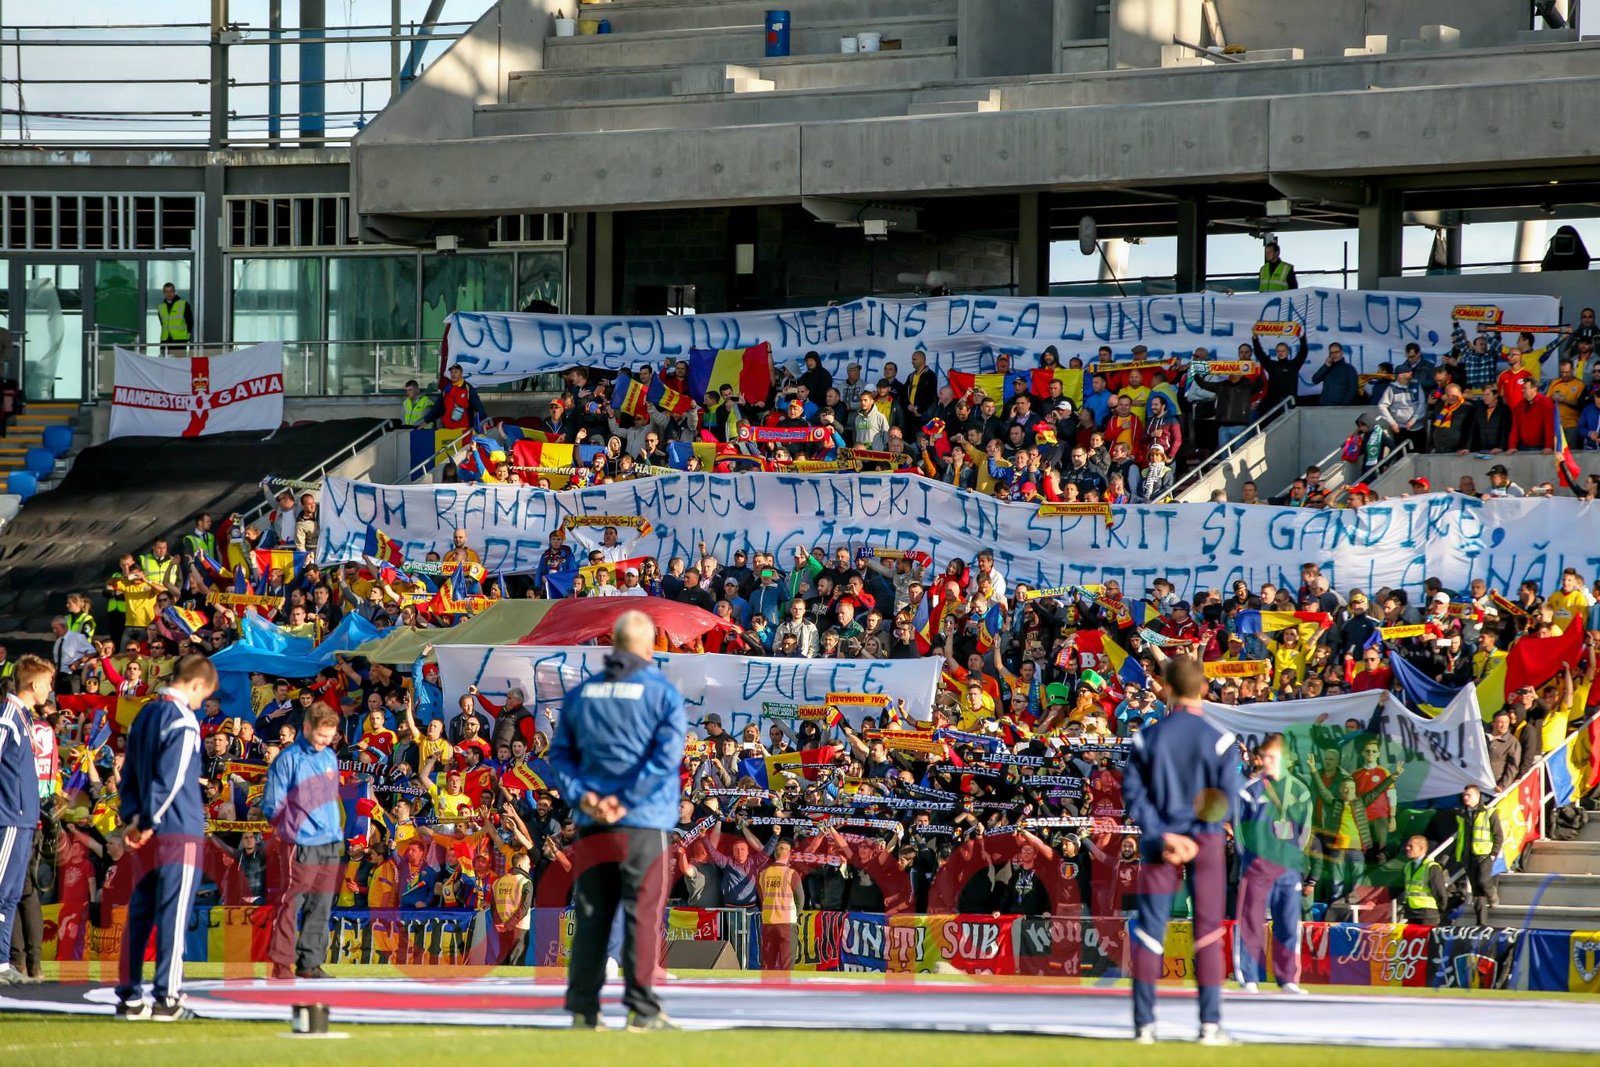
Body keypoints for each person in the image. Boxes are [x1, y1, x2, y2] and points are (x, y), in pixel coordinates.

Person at [549, 610, 687, 1032]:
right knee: (641, 914)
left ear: (613, 643)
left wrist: (585, 798)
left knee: (592, 913)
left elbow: (561, 756)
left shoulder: (582, 693)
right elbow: (666, 758)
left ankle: (583, 1010)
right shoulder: (661, 692)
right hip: (642, 820)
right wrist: (624, 800)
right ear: (648, 647)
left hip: (592, 822)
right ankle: (642, 1010)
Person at [1122, 655, 1241, 1045]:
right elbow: (1226, 800)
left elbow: (1134, 795)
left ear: (1167, 689)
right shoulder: (1221, 740)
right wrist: (1197, 835)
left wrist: (1164, 835)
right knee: (1207, 932)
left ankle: (1144, 1026)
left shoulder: (1146, 738)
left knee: (1149, 931)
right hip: (1205, 844)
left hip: (1161, 842)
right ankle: (1209, 1025)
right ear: (1203, 688)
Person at [115, 653, 218, 1020]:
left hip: (144, 831)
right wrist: (148, 820)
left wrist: (133, 818)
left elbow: (128, 773)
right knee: (173, 915)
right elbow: (172, 779)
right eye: (203, 695)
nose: (201, 704)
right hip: (176, 829)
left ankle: (129, 996)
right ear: (195, 684)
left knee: (140, 914)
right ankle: (167, 998)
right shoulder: (183, 720)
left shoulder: (143, 715)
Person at [261, 700, 343, 980]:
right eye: (321, 736)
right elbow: (272, 804)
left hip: (330, 841)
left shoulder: (329, 756)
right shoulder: (288, 759)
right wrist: (291, 830)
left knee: (321, 903)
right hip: (301, 842)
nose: (324, 742)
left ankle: (310, 963)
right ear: (306, 728)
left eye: (329, 737)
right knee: (291, 902)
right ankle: (281, 963)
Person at [1232, 732, 1311, 995]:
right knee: (1251, 922)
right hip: (1257, 868)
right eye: (1263, 756)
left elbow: (1305, 830)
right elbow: (1240, 832)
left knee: (1288, 923)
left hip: (1287, 869)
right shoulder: (1250, 791)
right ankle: (1248, 977)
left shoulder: (1299, 791)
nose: (1265, 761)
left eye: (1271, 757)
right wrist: (1250, 860)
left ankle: (1287, 978)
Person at [0, 654, 51, 986]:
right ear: (33, 684)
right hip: (8, 817)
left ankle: (3, 962)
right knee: (1, 890)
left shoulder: (24, 718)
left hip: (24, 819)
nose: (50, 689)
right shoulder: (7, 716)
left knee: (11, 894)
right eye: (48, 683)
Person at [1454, 784, 1503, 926]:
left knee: (1483, 880)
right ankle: (1481, 923)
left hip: (1484, 854)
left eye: (1468, 795)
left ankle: (1492, 894)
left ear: (1477, 796)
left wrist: (1494, 853)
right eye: (1464, 795)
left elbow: (1498, 835)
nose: (1465, 797)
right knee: (1477, 892)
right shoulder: (1462, 815)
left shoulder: (1489, 813)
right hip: (1468, 856)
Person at [1399, 835, 1448, 926]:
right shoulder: (1408, 866)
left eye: (1411, 846)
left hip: (1427, 914)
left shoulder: (1432, 867)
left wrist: (1440, 910)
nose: (1407, 848)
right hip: (1411, 913)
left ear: (1421, 848)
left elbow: (1440, 892)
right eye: (1407, 845)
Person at [156, 282, 193, 351]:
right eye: (166, 292)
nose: (169, 294)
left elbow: (190, 322)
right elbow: (162, 323)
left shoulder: (183, 304)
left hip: (180, 340)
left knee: (179, 358)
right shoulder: (161, 307)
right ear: (164, 293)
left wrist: (186, 335)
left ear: (174, 292)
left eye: (171, 291)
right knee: (164, 357)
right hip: (165, 339)